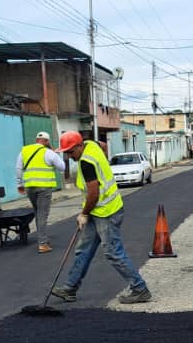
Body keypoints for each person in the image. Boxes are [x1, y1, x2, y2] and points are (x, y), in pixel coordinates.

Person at [50, 131, 152, 305]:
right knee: (83, 248)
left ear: (79, 146)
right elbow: (102, 145)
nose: (68, 156)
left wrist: (84, 213)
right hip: (97, 211)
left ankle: (140, 288)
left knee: (113, 252)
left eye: (70, 152)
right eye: (66, 153)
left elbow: (94, 193)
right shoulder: (92, 144)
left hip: (107, 211)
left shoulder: (87, 163)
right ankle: (70, 288)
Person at [16, 131, 66, 254]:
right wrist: (53, 152)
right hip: (44, 188)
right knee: (42, 214)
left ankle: (42, 239)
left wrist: (19, 184)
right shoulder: (49, 153)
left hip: (30, 188)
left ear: (36, 140)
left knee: (38, 213)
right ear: (47, 141)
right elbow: (62, 167)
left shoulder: (24, 151)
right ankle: (42, 243)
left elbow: (18, 168)